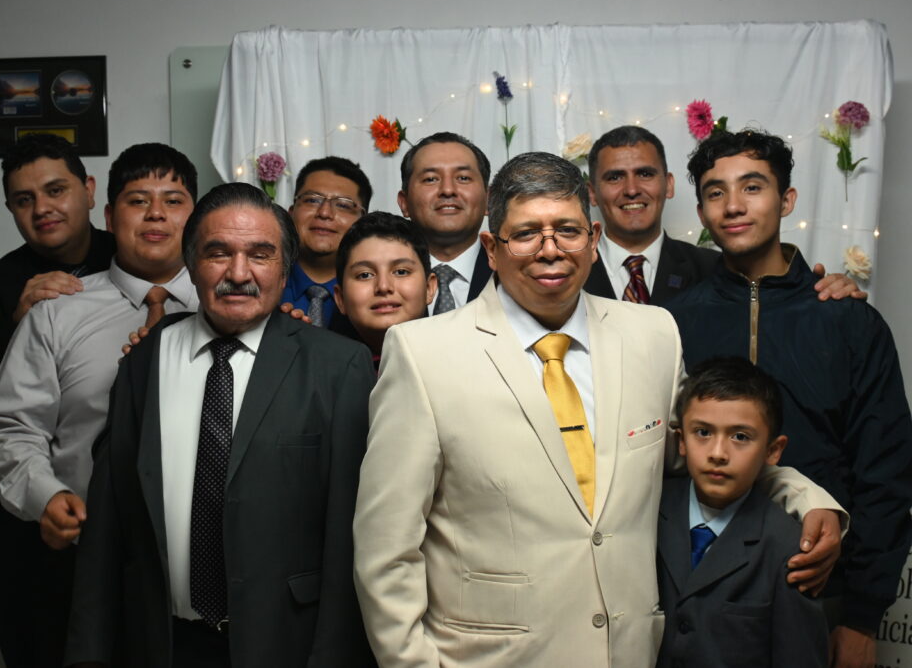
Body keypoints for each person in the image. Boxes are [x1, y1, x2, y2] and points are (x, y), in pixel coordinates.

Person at [354, 151, 843, 667]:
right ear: (492, 249)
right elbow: (387, 548)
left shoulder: (652, 334)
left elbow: (701, 451)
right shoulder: (423, 352)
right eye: (526, 234)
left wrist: (805, 497)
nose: (550, 251)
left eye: (567, 230)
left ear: (592, 240)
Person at [65, 182, 376, 668]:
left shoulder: (338, 366)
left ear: (284, 268)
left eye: (260, 255)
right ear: (191, 265)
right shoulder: (146, 358)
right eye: (218, 253)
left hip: (288, 646)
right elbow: (107, 525)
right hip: (164, 644)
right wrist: (88, 654)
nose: (238, 273)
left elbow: (349, 538)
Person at [667, 129, 912, 668]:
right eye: (715, 192)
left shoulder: (847, 320)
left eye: (752, 187)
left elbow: (886, 469)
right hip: (699, 587)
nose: (734, 205)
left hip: (820, 585)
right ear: (702, 212)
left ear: (787, 199)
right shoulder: (674, 322)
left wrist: (862, 617)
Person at [0, 143, 199, 668]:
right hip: (84, 558)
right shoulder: (56, 312)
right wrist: (45, 496)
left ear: (197, 217)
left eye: (173, 200)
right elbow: (12, 425)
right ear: (109, 216)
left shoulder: (234, 307)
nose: (156, 214)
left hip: (203, 565)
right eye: (137, 200)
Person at [0, 133, 115, 443]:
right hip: (38, 465)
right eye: (24, 200)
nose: (41, 208)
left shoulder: (131, 260)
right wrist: (16, 331)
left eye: (55, 191)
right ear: (11, 209)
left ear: (88, 191)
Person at [656, 357, 827, 668]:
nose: (718, 453)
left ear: (773, 450)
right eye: (703, 432)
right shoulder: (651, 513)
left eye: (740, 437)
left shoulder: (787, 548)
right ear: (681, 441)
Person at [584, 125, 864, 305]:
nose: (632, 190)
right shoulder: (568, 272)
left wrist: (822, 291)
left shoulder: (722, 271)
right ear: (592, 193)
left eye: (645, 174)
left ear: (668, 185)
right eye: (614, 177)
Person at [398, 132, 494, 313]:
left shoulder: (514, 275)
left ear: (488, 200)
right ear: (404, 203)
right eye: (430, 179)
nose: (448, 190)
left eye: (463, 178)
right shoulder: (382, 281)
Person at [331, 212, 437, 364]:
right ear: (340, 298)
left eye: (401, 272)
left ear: (429, 288)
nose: (383, 286)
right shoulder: (317, 367)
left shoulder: (459, 360)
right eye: (365, 275)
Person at [281, 156, 372, 326]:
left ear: (363, 221)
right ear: (291, 212)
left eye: (343, 205)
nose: (324, 213)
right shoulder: (263, 287)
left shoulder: (377, 294)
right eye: (312, 200)